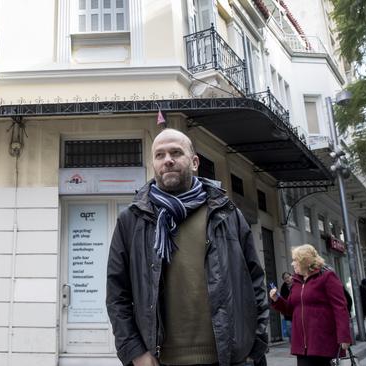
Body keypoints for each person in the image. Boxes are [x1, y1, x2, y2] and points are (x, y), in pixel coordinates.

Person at [106, 128, 269, 366]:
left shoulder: (226, 214)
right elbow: (116, 294)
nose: (168, 160)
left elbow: (255, 283)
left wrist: (254, 344)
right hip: (160, 360)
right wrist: (135, 352)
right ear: (153, 164)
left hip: (226, 358)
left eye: (176, 152)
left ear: (194, 162)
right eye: (159, 155)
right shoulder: (131, 220)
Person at [269, 244, 351, 366]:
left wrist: (344, 336)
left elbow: (340, 307)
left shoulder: (327, 277)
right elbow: (290, 309)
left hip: (324, 344)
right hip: (302, 347)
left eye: (295, 260)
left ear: (305, 261)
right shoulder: (296, 282)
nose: (292, 264)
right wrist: (277, 299)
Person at [279, 272, 293, 341]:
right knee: (289, 330)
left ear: (291, 276)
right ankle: (293, 347)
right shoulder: (283, 288)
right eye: (285, 278)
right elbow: (282, 300)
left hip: (297, 312)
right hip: (288, 314)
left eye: (288, 277)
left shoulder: (297, 285)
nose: (287, 279)